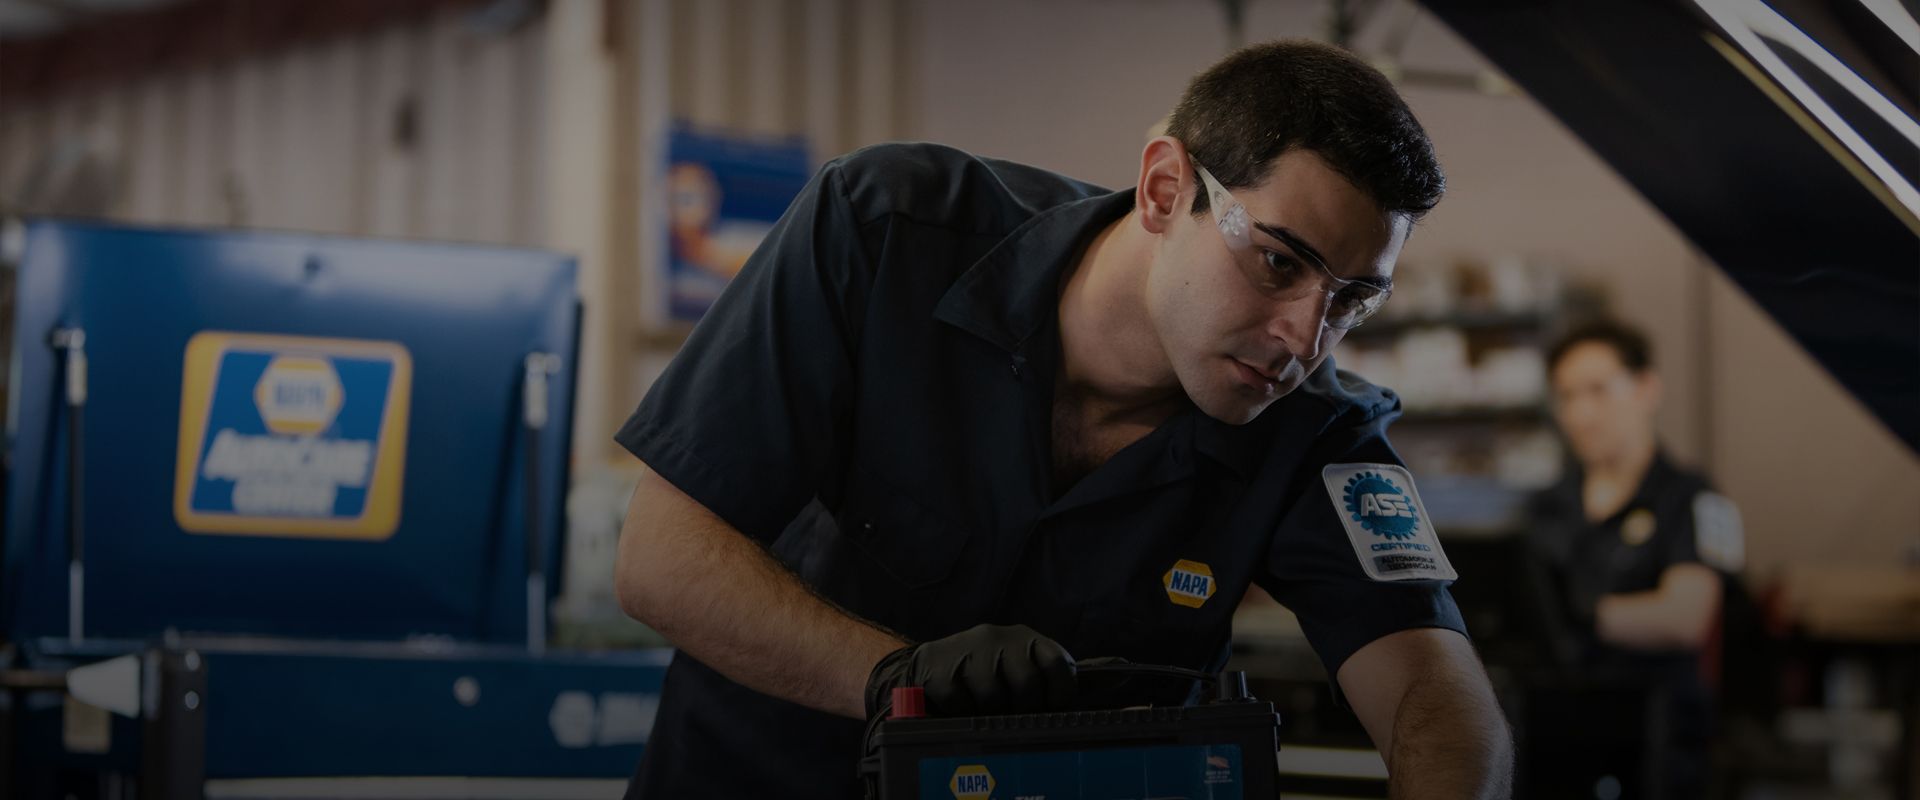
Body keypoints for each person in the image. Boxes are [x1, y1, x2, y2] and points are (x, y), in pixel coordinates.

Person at [613, 39, 1513, 799]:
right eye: (1280, 263)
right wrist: (894, 681)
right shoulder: (884, 232)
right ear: (1165, 188)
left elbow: (1438, 699)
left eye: (1352, 300)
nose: (1305, 339)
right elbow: (659, 559)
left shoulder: (1314, 427)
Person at [1527, 319, 1747, 796]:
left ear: (1647, 388)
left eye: (1598, 390)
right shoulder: (1544, 506)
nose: (1581, 413)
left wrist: (1569, 619)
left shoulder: (1699, 501)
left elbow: (1685, 617)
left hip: (1659, 737)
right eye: (1566, 396)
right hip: (1556, 733)